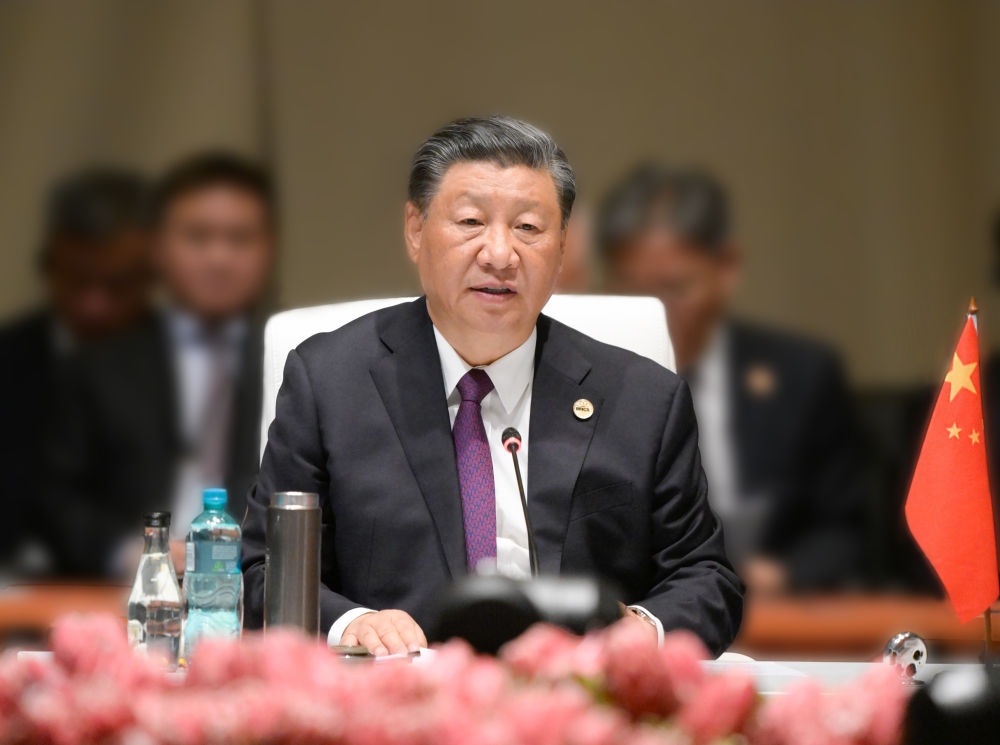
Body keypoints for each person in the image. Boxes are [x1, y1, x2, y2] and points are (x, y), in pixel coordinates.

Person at [242, 116, 742, 656]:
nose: (500, 254)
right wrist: (353, 624)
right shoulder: (330, 382)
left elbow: (706, 578)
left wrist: (641, 628)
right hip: (401, 684)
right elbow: (262, 569)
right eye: (471, 221)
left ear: (561, 248)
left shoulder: (643, 399)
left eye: (528, 227)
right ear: (415, 230)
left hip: (574, 687)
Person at [597, 163, 869, 594]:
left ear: (726, 268)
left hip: (772, 616)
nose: (656, 311)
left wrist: (783, 574)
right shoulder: (585, 380)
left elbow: (850, 527)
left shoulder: (803, 376)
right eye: (633, 290)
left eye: (675, 288)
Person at [45, 152, 275, 577]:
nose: (219, 258)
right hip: (129, 585)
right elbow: (55, 498)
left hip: (260, 583)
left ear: (269, 248)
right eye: (198, 237)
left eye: (240, 238)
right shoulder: (98, 365)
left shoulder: (298, 358)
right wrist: (132, 553)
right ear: (158, 247)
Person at [0, 168, 152, 573]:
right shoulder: (8, 358)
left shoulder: (180, 363)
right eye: (77, 280)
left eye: (117, 284)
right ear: (48, 266)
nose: (93, 305)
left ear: (151, 275)